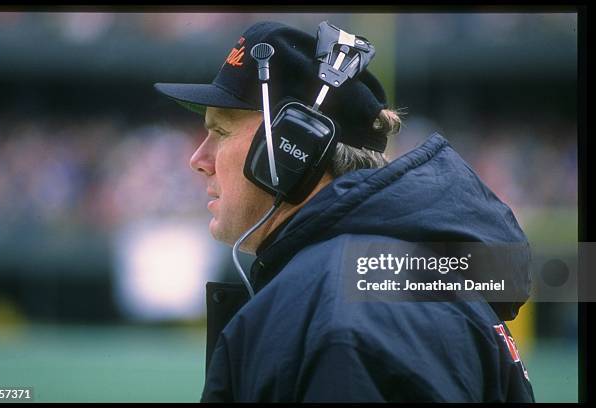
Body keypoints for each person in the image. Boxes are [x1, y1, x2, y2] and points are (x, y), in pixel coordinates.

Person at [155, 20, 535, 403]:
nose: (197, 159)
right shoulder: (376, 281)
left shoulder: (342, 319)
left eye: (220, 132)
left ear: (293, 147)